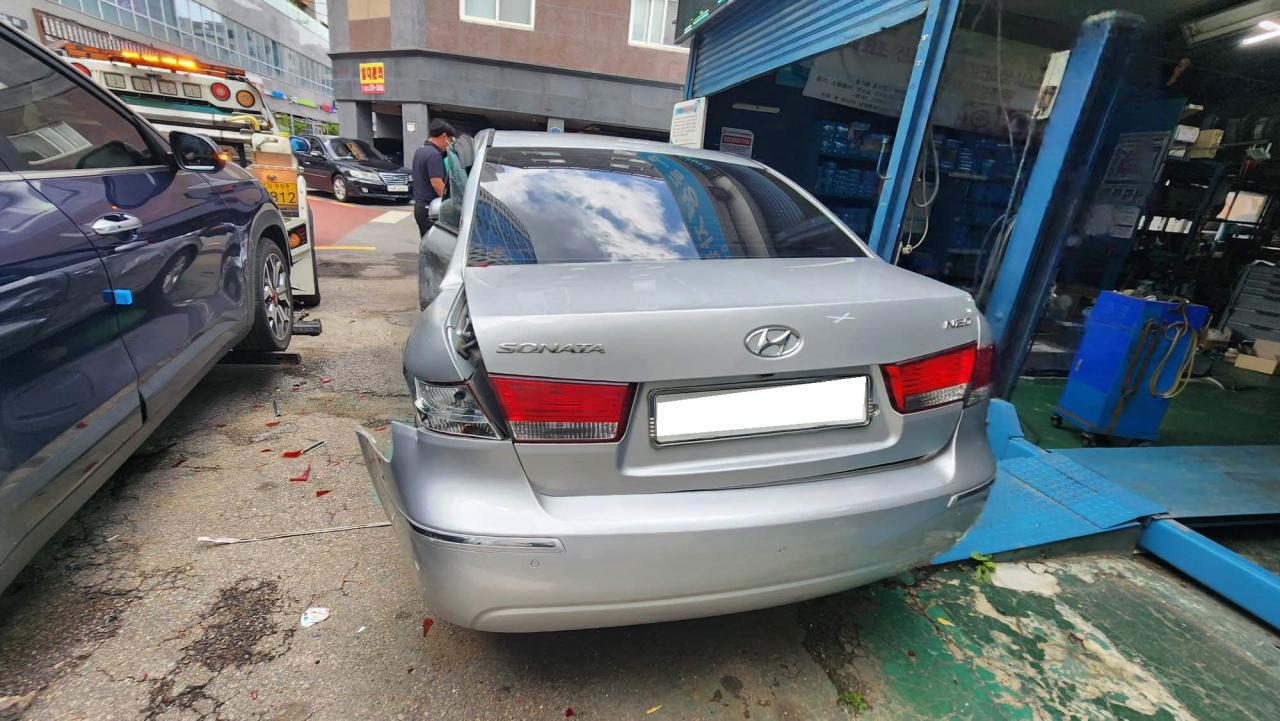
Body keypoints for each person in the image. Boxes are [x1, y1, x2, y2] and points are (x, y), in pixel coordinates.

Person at [410, 119, 456, 238]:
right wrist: (450, 205)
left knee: (426, 241)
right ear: (444, 136)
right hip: (430, 208)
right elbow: (436, 183)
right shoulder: (434, 154)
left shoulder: (420, 151)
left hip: (420, 206)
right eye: (450, 140)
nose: (449, 144)